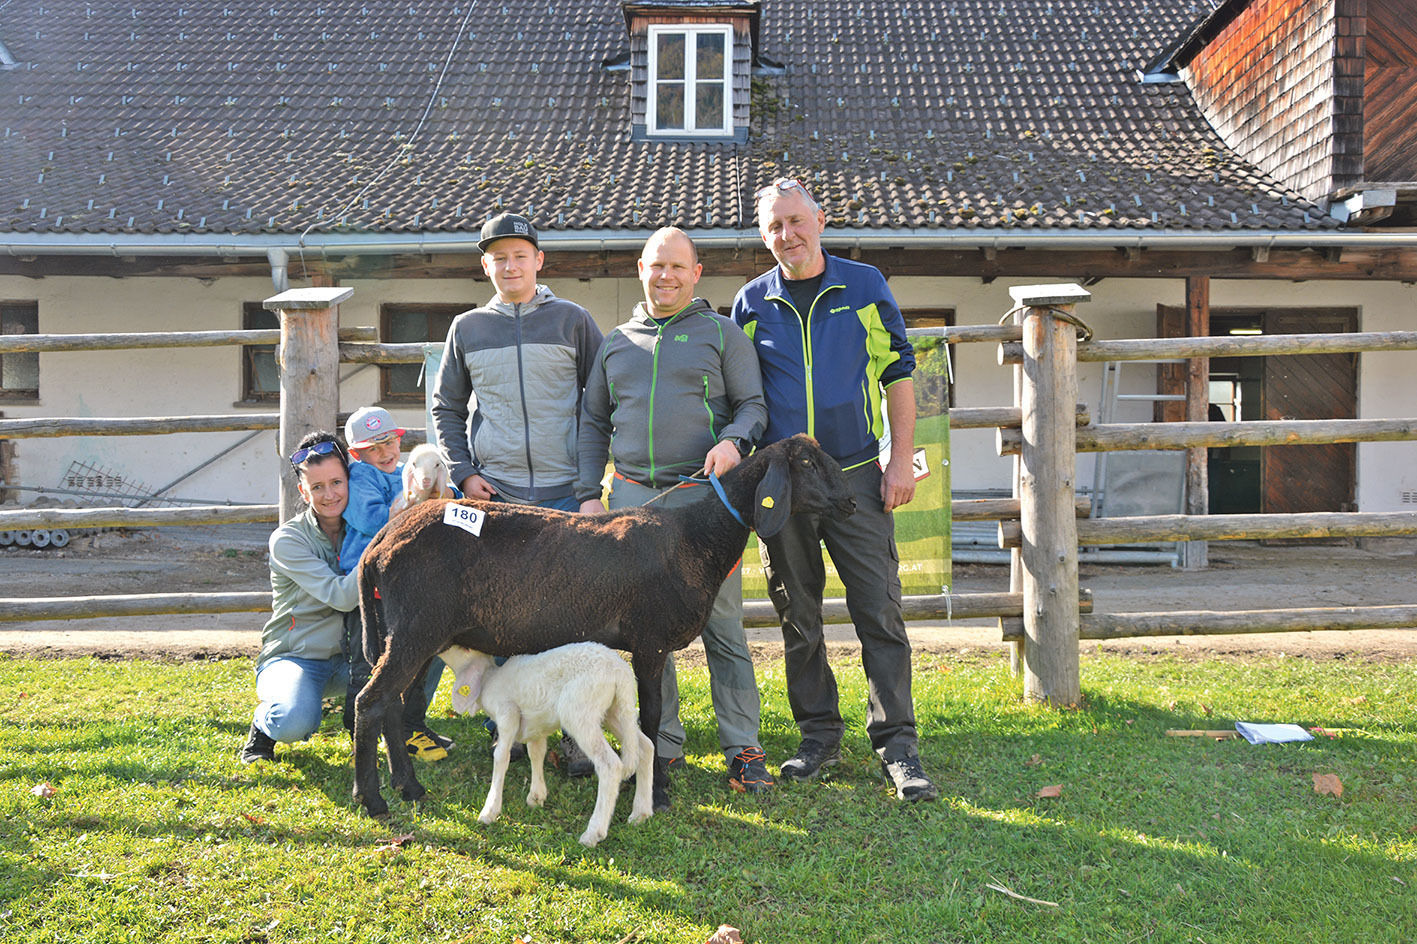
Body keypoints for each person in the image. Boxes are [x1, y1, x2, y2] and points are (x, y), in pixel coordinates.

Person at [730, 177, 938, 801]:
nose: (786, 235)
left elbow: (900, 372)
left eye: (796, 221)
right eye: (774, 227)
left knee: (879, 608)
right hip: (784, 482)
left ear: (820, 220)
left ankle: (897, 746)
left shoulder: (865, 285)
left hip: (854, 476)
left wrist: (899, 461)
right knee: (799, 614)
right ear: (763, 234)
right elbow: (743, 397)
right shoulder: (750, 303)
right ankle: (817, 735)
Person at [576, 227, 773, 802]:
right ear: (641, 268)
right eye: (656, 265)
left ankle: (743, 747)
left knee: (722, 625)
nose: (666, 277)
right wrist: (590, 494)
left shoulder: (721, 334)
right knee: (645, 631)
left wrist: (736, 440)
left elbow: (753, 406)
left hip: (707, 504)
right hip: (634, 503)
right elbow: (593, 422)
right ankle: (660, 743)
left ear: (696, 273)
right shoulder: (616, 343)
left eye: (677, 267)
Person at [432, 211, 604, 770]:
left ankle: (577, 733)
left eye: (519, 255)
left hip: (563, 494)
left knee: (571, 615)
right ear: (485, 265)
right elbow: (447, 407)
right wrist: (462, 472)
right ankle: (510, 724)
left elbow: (602, 402)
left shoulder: (574, 321)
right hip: (497, 496)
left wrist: (589, 483)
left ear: (539, 260)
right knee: (502, 614)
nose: (510, 265)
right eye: (498, 257)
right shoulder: (467, 330)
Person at [339, 406, 452, 762]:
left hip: (412, 585)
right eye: (374, 448)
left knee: (424, 654)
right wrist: (416, 500)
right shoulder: (359, 479)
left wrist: (444, 493)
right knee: (370, 657)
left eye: (390, 442)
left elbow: (448, 502)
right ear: (358, 453)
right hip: (373, 588)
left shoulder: (411, 469)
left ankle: (410, 725)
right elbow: (373, 519)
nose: (386, 453)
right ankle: (363, 732)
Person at [240, 431, 358, 764]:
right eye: (317, 487)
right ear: (302, 491)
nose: (329, 494)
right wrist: (379, 549)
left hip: (353, 659)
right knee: (293, 720)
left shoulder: (363, 527)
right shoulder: (287, 540)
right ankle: (264, 727)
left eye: (336, 481)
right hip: (297, 657)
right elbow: (342, 597)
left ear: (351, 479)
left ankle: (412, 728)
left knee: (427, 651)